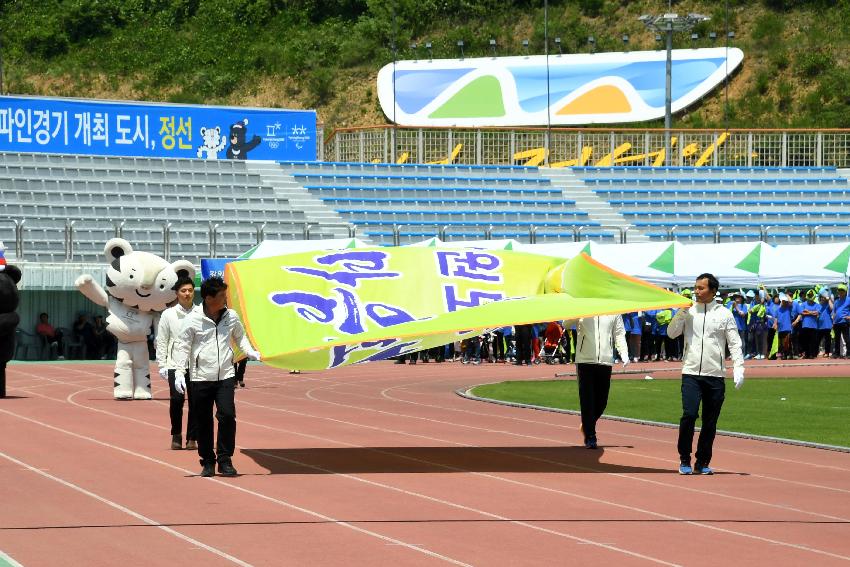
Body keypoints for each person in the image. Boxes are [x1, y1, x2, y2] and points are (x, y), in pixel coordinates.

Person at [172, 276, 260, 477]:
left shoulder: (231, 316)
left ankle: (225, 459)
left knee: (227, 415)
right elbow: (183, 346)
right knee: (203, 421)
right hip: (200, 378)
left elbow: (240, 337)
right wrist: (178, 372)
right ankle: (208, 461)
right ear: (209, 298)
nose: (225, 299)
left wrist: (250, 351)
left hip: (226, 376)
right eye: (222, 296)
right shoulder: (193, 319)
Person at [667, 273, 744, 475]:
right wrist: (681, 313)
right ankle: (684, 458)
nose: (696, 291)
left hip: (715, 374)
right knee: (689, 415)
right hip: (691, 372)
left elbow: (734, 342)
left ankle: (702, 461)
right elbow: (671, 333)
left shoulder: (724, 314)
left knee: (710, 421)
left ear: (713, 291)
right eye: (695, 287)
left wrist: (739, 367)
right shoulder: (689, 311)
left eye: (701, 288)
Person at [566, 314, 629, 449]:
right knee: (587, 399)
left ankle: (587, 423)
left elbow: (619, 333)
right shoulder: (583, 307)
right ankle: (590, 436)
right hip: (585, 360)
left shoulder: (614, 310)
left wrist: (624, 353)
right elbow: (565, 324)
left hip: (605, 361)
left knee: (602, 401)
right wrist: (576, 311)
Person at [155, 276, 198, 451]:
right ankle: (176, 434)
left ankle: (192, 437)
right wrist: (162, 364)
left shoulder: (200, 313)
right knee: (177, 399)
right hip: (174, 364)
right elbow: (162, 340)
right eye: (183, 291)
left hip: (195, 364)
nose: (187, 294)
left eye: (190, 290)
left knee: (196, 401)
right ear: (176, 293)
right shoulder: (168, 314)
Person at [832, 284, 850, 358]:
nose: (840, 292)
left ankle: (849, 353)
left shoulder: (849, 299)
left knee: (847, 338)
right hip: (836, 323)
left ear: (845, 292)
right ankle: (837, 354)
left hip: (845, 322)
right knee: (837, 339)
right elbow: (834, 311)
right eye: (839, 291)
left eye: (842, 291)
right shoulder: (836, 301)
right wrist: (833, 320)